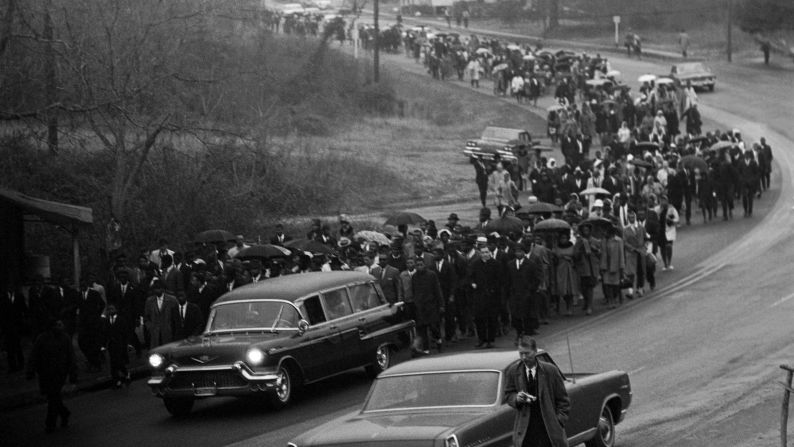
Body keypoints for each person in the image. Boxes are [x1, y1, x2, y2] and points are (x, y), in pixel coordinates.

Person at [505, 338, 570, 447]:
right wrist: (516, 398)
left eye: (527, 353)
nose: (524, 357)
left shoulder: (551, 371)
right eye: (521, 354)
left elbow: (564, 401)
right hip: (526, 430)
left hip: (548, 429)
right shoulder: (514, 371)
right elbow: (508, 394)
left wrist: (558, 421)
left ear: (535, 351)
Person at [26, 318, 77, 433]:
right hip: (45, 372)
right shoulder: (42, 339)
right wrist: (31, 370)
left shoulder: (65, 338)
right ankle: (64, 413)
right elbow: (34, 355)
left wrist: (73, 374)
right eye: (58, 325)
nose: (61, 326)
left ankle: (50, 423)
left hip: (59, 373)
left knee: (53, 397)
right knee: (53, 397)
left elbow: (71, 357)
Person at [506, 243, 542, 341]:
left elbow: (536, 279)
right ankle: (519, 332)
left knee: (527, 315)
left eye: (520, 251)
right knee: (515, 315)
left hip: (527, 294)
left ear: (524, 252)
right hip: (514, 294)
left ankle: (527, 334)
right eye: (516, 252)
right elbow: (507, 279)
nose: (518, 254)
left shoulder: (530, 264)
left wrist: (531, 290)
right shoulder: (510, 264)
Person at [411, 257, 444, 354]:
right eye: (417, 265)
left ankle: (438, 341)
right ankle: (426, 349)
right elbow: (414, 291)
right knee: (422, 329)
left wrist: (441, 304)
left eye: (421, 264)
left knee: (434, 327)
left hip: (431, 305)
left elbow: (437, 290)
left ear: (424, 264)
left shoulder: (431, 275)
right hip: (420, 307)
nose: (419, 267)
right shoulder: (414, 277)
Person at [469, 248, 499, 348]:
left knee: (492, 318)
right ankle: (481, 339)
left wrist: (494, 289)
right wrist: (472, 283)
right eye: (483, 252)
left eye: (487, 252)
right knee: (479, 318)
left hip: (492, 296)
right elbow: (470, 276)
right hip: (479, 295)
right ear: (480, 254)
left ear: (490, 253)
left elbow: (499, 278)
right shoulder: (475, 264)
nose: (485, 254)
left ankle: (491, 339)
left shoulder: (495, 264)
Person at [77, 278, 105, 371]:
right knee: (82, 342)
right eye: (81, 285)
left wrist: (97, 314)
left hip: (93, 322)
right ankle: (91, 360)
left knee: (94, 343)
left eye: (84, 285)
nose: (83, 287)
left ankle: (96, 363)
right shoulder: (78, 295)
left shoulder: (94, 293)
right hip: (84, 323)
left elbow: (102, 304)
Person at [101, 304, 130, 388]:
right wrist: (103, 345)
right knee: (113, 362)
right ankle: (117, 379)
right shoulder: (106, 321)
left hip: (120, 343)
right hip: (111, 344)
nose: (110, 311)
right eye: (109, 310)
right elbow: (105, 333)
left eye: (112, 309)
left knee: (118, 361)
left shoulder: (121, 320)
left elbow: (125, 332)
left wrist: (126, 343)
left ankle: (123, 374)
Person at [143, 280, 178, 348]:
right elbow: (146, 317)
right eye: (155, 288)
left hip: (168, 332)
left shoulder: (172, 300)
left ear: (163, 289)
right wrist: (150, 327)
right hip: (155, 333)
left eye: (159, 288)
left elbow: (176, 317)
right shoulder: (149, 301)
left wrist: (173, 329)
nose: (157, 290)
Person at [574, 224, 599, 315]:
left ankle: (589, 306)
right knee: (583, 287)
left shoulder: (595, 241)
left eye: (587, 230)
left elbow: (600, 254)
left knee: (590, 287)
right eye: (584, 230)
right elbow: (575, 255)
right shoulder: (579, 241)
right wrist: (580, 249)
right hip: (583, 268)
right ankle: (586, 301)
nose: (586, 232)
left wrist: (594, 249)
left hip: (593, 267)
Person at [600, 225, 625, 309]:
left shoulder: (618, 241)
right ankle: (610, 300)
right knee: (607, 284)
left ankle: (615, 298)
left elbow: (621, 254)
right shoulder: (604, 240)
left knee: (615, 284)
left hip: (615, 265)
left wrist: (622, 266)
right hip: (606, 265)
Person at [738, 150, 760, 217]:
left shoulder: (753, 162)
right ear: (744, 155)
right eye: (746, 155)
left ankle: (750, 210)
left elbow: (756, 172)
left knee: (750, 197)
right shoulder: (741, 162)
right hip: (744, 182)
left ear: (749, 156)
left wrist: (754, 179)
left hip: (751, 182)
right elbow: (739, 172)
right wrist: (741, 179)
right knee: (744, 197)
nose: (746, 156)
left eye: (748, 155)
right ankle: (745, 210)